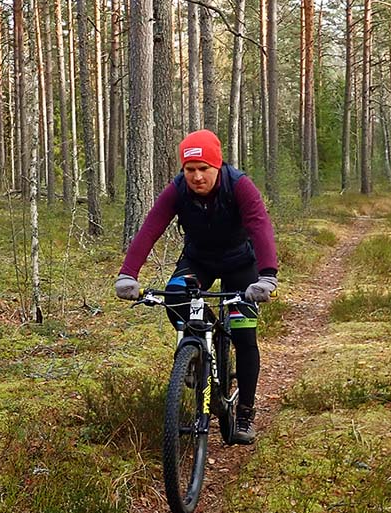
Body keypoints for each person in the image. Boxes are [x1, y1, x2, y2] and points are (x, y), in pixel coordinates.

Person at [114, 129, 279, 445]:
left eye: (204, 168)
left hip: (240, 263)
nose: (197, 176)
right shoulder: (177, 190)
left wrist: (267, 276)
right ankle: (198, 350)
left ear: (217, 166)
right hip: (198, 261)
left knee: (244, 335)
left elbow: (260, 226)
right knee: (176, 296)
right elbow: (150, 228)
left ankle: (245, 413)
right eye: (190, 169)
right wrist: (128, 274)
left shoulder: (239, 185)